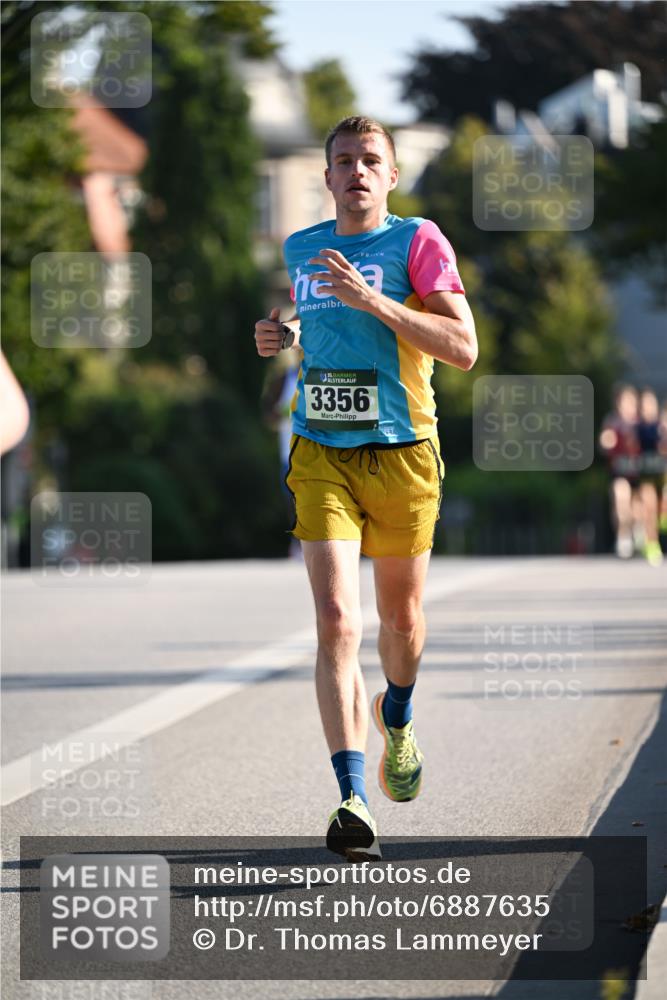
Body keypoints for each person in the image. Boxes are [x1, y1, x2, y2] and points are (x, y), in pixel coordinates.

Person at [254, 116, 477, 861]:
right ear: (326, 178)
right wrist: (285, 335)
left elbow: (463, 347)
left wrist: (374, 301)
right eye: (343, 160)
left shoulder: (418, 242)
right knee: (335, 621)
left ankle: (398, 713)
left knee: (400, 622)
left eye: (369, 160)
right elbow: (322, 329)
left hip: (403, 452)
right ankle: (351, 798)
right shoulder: (302, 249)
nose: (356, 171)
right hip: (321, 451)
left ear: (390, 176)